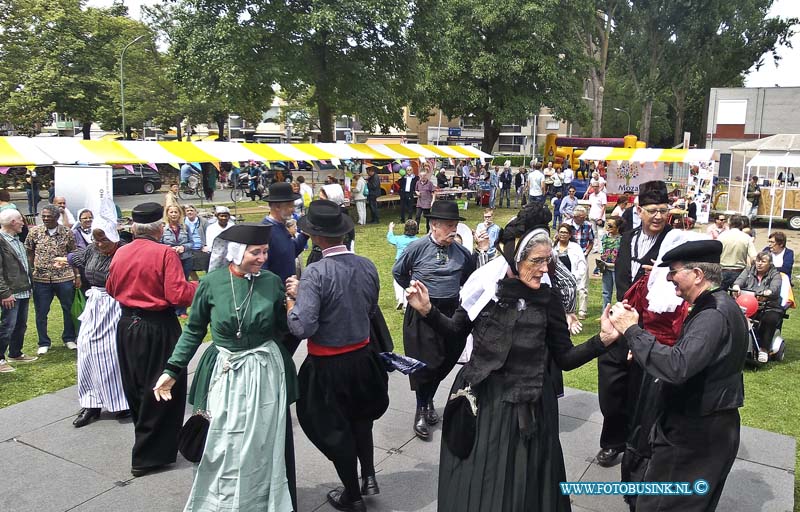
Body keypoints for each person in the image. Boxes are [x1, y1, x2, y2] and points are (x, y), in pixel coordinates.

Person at [404, 224, 617, 512]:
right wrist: (428, 310)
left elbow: (565, 358)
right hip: (484, 403)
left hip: (528, 408)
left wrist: (602, 340)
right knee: (482, 480)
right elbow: (455, 330)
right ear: (516, 261)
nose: (544, 269)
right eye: (537, 261)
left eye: (548, 260)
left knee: (521, 485)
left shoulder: (548, 300)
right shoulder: (485, 291)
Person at [153, 224, 299, 511]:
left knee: (261, 441)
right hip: (225, 370)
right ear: (235, 252)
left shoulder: (271, 282)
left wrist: (294, 304)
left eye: (265, 252)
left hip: (263, 373)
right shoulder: (212, 283)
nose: (262, 258)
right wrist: (172, 370)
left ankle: (259, 501)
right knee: (222, 440)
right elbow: (193, 330)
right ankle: (219, 500)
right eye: (255, 252)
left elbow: (285, 330)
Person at [606, 240, 746, 512]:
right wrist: (645, 345)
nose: (669, 278)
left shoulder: (713, 314)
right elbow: (695, 356)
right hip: (707, 427)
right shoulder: (720, 305)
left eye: (674, 271)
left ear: (697, 275)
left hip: (695, 435)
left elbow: (677, 367)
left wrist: (632, 331)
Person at [286, 200, 389, 512]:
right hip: (364, 357)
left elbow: (303, 326)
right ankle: (368, 476)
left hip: (328, 365)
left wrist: (292, 303)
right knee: (362, 419)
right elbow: (371, 310)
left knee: (335, 428)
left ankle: (353, 495)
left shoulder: (316, 273)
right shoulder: (367, 265)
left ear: (316, 238)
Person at [106, 202, 198, 477]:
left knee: (135, 384)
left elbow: (111, 287)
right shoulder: (164, 253)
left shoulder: (121, 252)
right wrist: (199, 287)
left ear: (134, 227)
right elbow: (178, 294)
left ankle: (146, 442)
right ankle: (148, 454)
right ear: (160, 228)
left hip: (126, 325)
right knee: (163, 385)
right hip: (157, 325)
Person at [596, 180, 672, 468]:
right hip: (620, 320)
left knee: (643, 390)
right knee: (611, 386)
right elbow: (621, 277)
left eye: (663, 211)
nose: (658, 216)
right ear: (638, 210)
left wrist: (662, 274)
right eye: (652, 210)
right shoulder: (627, 237)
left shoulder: (673, 241)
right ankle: (612, 439)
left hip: (653, 328)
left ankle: (636, 445)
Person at [393, 201, 476, 441]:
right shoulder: (416, 248)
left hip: (450, 312)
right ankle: (421, 408)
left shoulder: (462, 254)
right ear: (433, 225)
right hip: (421, 313)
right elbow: (398, 272)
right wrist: (414, 294)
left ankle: (429, 400)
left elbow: (470, 279)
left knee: (444, 362)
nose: (453, 230)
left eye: (456, 225)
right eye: (449, 226)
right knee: (423, 365)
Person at [57, 218, 129, 427]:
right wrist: (65, 258)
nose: (99, 244)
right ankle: (91, 404)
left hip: (116, 304)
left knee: (110, 354)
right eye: (96, 239)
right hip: (94, 304)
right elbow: (77, 256)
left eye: (103, 239)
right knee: (86, 350)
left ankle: (120, 403)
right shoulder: (91, 249)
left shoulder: (124, 251)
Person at [24, 204, 79, 355]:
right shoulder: (34, 232)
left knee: (68, 309)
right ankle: (43, 342)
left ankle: (69, 338)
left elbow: (73, 255)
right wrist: (31, 270)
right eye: (44, 216)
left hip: (64, 277)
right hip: (41, 278)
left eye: (49, 216)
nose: (46, 219)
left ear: (56, 217)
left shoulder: (67, 232)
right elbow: (29, 252)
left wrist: (77, 275)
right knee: (41, 311)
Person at [0, 210, 37, 373]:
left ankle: (16, 353)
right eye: (21, 220)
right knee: (8, 325)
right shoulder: (1, 242)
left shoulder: (17, 239)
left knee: (20, 325)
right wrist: (5, 293)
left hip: (23, 289)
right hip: (11, 292)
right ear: (12, 222)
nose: (23, 223)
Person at [733, 251, 783, 363]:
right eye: (758, 261)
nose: (759, 264)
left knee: (769, 319)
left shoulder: (775, 274)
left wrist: (768, 292)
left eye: (763, 261)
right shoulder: (749, 270)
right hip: (746, 304)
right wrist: (736, 286)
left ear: (769, 263)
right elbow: (739, 280)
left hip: (768, 306)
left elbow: (775, 287)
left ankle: (764, 349)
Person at [262, 182, 309, 285]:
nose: (293, 210)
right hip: (276, 293)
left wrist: (305, 235)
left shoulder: (281, 226)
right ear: (277, 207)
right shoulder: (265, 232)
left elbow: (289, 252)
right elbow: (263, 271)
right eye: (289, 206)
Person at [161, 205, 193, 318]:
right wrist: (170, 249)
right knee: (171, 284)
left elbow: (191, 243)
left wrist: (183, 247)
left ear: (180, 214)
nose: (174, 214)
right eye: (171, 212)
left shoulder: (185, 227)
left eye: (176, 212)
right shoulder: (163, 228)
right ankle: (171, 309)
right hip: (170, 260)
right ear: (167, 214)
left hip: (185, 258)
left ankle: (182, 310)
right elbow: (159, 244)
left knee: (183, 283)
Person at [718, 214, 757, 290]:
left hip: (722, 270)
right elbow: (753, 257)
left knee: (720, 297)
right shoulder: (746, 238)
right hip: (740, 272)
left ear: (729, 224)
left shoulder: (721, 236)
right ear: (742, 224)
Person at [387, 220, 419, 310]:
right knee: (409, 283)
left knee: (397, 281)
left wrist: (390, 228)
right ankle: (406, 303)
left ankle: (400, 299)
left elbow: (390, 238)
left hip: (399, 263)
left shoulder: (399, 239)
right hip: (412, 264)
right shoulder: (418, 241)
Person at [570, 206, 594, 319]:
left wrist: (586, 253)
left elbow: (591, 241)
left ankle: (582, 311)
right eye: (582, 217)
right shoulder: (567, 225)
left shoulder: (588, 226)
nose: (584, 218)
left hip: (583, 257)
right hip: (569, 256)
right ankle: (570, 308)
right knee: (570, 284)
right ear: (576, 217)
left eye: (585, 217)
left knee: (583, 285)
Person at [599, 216, 623, 310]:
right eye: (607, 224)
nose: (608, 227)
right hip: (606, 268)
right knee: (606, 292)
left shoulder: (622, 239)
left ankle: (619, 313)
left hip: (617, 269)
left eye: (610, 225)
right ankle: (605, 312)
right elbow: (603, 251)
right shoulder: (605, 237)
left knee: (619, 292)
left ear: (618, 227)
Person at [183, 205, 210, 275]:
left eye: (191, 210)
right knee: (188, 263)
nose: (189, 212)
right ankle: (196, 281)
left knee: (207, 261)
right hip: (188, 248)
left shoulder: (203, 221)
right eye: (187, 211)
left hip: (202, 247)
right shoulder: (182, 222)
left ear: (196, 212)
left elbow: (209, 233)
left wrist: (206, 245)